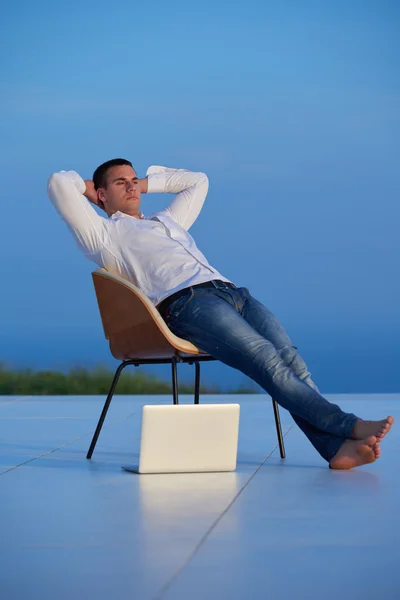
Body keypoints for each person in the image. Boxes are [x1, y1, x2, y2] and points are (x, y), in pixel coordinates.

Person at [48, 158, 394, 469]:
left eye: (134, 179)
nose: (131, 185)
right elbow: (57, 183)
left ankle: (334, 450)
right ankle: (347, 425)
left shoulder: (168, 220)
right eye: (120, 182)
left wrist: (146, 183)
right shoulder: (104, 235)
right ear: (102, 195)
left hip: (232, 293)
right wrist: (85, 189)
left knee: (290, 360)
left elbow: (197, 181)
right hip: (187, 304)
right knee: (266, 360)